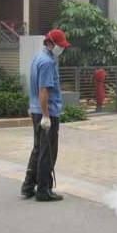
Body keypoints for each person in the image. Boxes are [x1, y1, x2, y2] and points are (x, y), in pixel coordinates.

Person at [21, 28, 71, 202]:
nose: (62, 49)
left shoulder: (37, 57)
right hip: (46, 112)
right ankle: (44, 189)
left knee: (38, 150)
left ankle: (28, 186)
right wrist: (46, 116)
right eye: (60, 45)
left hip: (36, 110)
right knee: (48, 153)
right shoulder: (48, 62)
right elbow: (43, 90)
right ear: (50, 43)